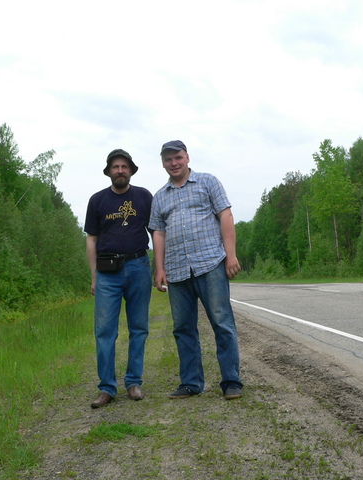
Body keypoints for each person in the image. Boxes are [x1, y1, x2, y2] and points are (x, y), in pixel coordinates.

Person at [149, 140, 244, 400]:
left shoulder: (208, 182)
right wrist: (160, 268)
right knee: (183, 328)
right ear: (163, 163)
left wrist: (230, 254)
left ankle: (231, 381)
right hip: (177, 270)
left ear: (187, 157)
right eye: (168, 159)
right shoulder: (159, 197)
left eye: (178, 157)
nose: (174, 163)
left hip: (210, 263)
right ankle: (191, 383)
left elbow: (225, 216)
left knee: (222, 322)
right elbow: (158, 233)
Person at [84, 149, 153, 409]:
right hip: (107, 273)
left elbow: (156, 231)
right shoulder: (97, 201)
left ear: (131, 170)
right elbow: (91, 240)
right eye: (115, 166)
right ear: (109, 171)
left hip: (138, 266)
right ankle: (107, 388)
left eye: (124, 166)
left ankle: (133, 382)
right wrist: (94, 276)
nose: (120, 170)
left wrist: (160, 268)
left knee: (139, 328)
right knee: (104, 332)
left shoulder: (144, 197)